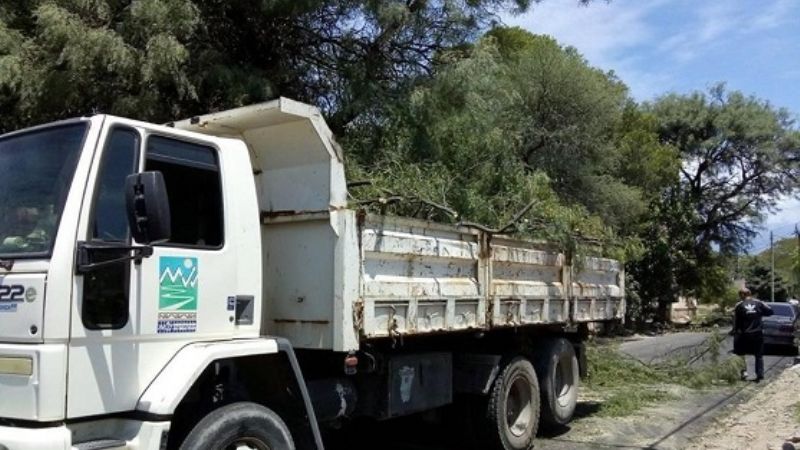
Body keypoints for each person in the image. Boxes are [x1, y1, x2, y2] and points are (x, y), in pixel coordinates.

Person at [732, 287, 773, 382]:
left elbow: (736, 320)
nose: (740, 297)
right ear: (750, 294)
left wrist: (734, 331)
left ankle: (744, 373)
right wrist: (759, 313)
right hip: (757, 333)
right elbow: (770, 311)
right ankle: (760, 374)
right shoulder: (759, 303)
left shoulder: (739, 305)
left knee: (741, 353)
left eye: (740, 295)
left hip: (744, 334)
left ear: (743, 295)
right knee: (758, 355)